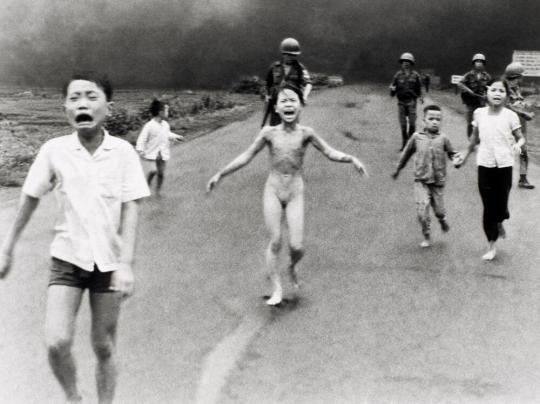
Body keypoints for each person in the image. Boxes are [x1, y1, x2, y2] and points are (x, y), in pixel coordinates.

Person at [0, 71, 150, 403]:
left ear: (108, 108)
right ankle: (73, 397)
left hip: (108, 264)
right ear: (66, 108)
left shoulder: (123, 152)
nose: (82, 103)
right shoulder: (54, 150)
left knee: (104, 346)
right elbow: (29, 198)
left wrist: (126, 265)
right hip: (67, 259)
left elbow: (132, 208)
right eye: (74, 97)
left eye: (91, 96)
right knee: (56, 341)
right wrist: (6, 248)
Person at [207, 86, 367, 306]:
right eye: (283, 101)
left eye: (293, 100)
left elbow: (329, 152)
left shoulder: (306, 133)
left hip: (295, 191)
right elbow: (246, 156)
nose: (289, 104)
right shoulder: (268, 133)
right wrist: (220, 174)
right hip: (273, 189)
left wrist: (351, 159)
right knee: (275, 241)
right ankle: (276, 288)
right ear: (276, 108)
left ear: (301, 106)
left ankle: (291, 267)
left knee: (297, 246)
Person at [458, 80, 525, 260]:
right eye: (493, 90)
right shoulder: (479, 114)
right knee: (488, 206)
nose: (497, 93)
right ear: (487, 92)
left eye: (501, 91)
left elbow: (521, 138)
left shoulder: (511, 116)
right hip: (485, 164)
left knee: (501, 206)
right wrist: (464, 156)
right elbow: (473, 140)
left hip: (504, 165)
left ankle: (500, 219)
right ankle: (491, 245)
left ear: (506, 95)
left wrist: (518, 145)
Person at [392, 105, 460, 248]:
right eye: (431, 119)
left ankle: (442, 219)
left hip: (437, 181)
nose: (435, 122)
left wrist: (456, 160)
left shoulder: (443, 138)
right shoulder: (417, 137)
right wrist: (398, 169)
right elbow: (406, 154)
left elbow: (452, 153)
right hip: (421, 180)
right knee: (422, 211)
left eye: (438, 119)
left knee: (439, 211)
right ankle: (426, 234)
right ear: (424, 121)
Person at [136, 99, 184, 195]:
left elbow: (167, 134)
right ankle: (146, 186)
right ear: (160, 112)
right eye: (166, 111)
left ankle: (158, 191)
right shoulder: (149, 125)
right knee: (153, 170)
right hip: (152, 153)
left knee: (161, 174)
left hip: (162, 153)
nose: (168, 113)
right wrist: (140, 150)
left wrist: (176, 137)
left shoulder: (165, 125)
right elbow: (142, 138)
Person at [263, 37, 312, 126]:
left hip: (292, 105)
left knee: (291, 129)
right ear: (283, 54)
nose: (291, 57)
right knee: (275, 130)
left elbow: (308, 83)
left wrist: (305, 96)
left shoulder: (300, 68)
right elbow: (267, 84)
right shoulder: (274, 67)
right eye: (288, 54)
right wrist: (267, 96)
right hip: (277, 104)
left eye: (293, 55)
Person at [503, 62, 535, 189]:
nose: (521, 79)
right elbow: (506, 106)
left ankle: (523, 178)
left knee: (523, 151)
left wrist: (526, 107)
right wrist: (524, 114)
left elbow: (518, 103)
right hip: (507, 125)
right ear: (514, 76)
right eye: (519, 77)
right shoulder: (503, 88)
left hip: (520, 125)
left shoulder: (516, 88)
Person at [389, 52, 423, 150]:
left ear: (411, 63)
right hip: (401, 102)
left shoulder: (416, 75)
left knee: (412, 123)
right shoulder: (398, 75)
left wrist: (421, 97)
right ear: (401, 63)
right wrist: (392, 90)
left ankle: (411, 144)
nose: (406, 63)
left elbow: (419, 89)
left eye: (408, 62)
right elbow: (393, 87)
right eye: (404, 61)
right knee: (403, 124)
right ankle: (404, 143)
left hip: (411, 101)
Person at [457, 53, 492, 138]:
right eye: (477, 61)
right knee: (470, 122)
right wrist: (469, 90)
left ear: (484, 64)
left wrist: (487, 95)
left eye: (481, 62)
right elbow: (460, 83)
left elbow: (491, 88)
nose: (479, 63)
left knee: (481, 123)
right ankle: (470, 139)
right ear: (474, 63)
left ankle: (479, 140)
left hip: (481, 103)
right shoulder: (469, 75)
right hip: (471, 103)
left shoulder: (487, 76)